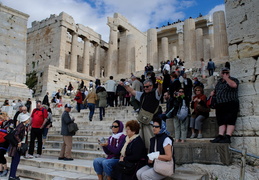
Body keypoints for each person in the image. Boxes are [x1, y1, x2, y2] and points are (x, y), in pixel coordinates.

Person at [122, 78, 162, 150]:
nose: (145, 88)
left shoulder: (155, 94)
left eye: (147, 87)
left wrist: (159, 83)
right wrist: (124, 85)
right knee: (141, 141)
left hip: (150, 122)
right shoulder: (142, 95)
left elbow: (160, 90)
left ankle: (152, 157)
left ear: (151, 86)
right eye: (144, 87)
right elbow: (131, 90)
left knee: (150, 142)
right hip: (142, 121)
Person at [210, 67, 239, 143]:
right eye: (223, 73)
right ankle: (220, 136)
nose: (224, 74)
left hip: (230, 102)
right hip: (220, 104)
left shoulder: (233, 79)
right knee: (221, 121)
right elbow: (217, 90)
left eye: (226, 72)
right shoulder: (219, 82)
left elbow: (234, 85)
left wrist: (227, 78)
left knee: (230, 120)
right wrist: (213, 94)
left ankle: (228, 136)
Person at [8, 113, 30, 180]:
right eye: (28, 119)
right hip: (16, 147)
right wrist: (19, 142)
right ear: (25, 120)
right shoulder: (21, 126)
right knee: (15, 160)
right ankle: (12, 176)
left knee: (15, 161)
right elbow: (16, 134)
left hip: (16, 146)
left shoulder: (22, 126)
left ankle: (12, 175)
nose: (29, 120)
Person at [0, 112, 11, 177]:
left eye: (1, 118)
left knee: (1, 154)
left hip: (5, 140)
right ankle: (0, 169)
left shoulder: (9, 122)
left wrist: (1, 130)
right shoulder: (2, 122)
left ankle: (6, 168)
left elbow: (9, 131)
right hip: (0, 139)